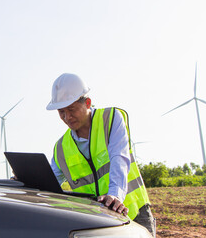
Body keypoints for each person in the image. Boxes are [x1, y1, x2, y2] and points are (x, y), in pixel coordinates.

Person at [46, 73, 155, 236]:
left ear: (87, 103)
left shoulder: (110, 119)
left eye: (71, 109)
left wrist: (115, 195)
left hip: (133, 214)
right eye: (61, 112)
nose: (67, 117)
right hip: (96, 222)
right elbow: (49, 181)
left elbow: (120, 158)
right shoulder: (61, 147)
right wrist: (24, 181)